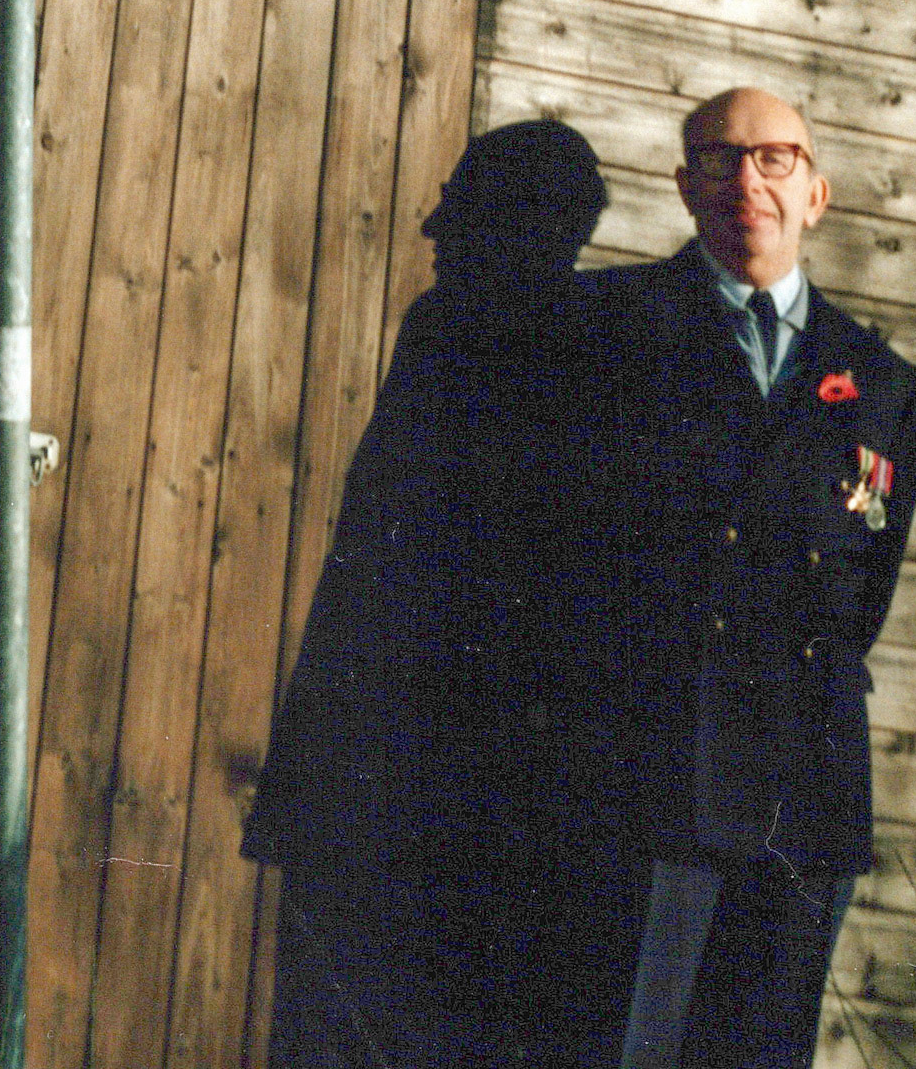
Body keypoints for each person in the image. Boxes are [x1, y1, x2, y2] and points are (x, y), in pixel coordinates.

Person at [243, 118, 637, 1069]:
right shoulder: (458, 332)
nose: (429, 224)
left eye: (458, 202)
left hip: (444, 805)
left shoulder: (544, 351)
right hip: (387, 786)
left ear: (522, 222)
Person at [591, 87, 916, 1069]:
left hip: (800, 795)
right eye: (718, 157)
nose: (748, 179)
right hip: (640, 784)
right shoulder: (605, 333)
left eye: (775, 158)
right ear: (683, 186)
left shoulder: (882, 384)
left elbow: (863, 590)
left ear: (815, 193)